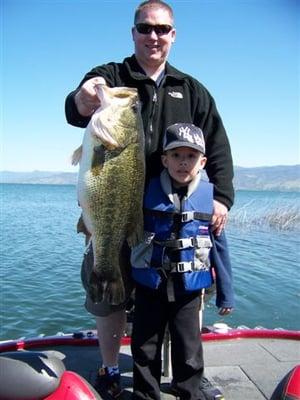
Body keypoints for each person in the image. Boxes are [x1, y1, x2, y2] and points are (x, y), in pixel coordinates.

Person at [65, 1, 234, 398]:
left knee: (183, 299)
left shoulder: (192, 90)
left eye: (162, 29)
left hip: (174, 218)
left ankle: (183, 374)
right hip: (113, 209)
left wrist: (222, 198)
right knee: (108, 297)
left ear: (173, 35)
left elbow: (219, 146)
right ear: (133, 32)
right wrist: (85, 95)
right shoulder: (113, 76)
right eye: (145, 28)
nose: (153, 36)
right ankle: (109, 368)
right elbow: (77, 108)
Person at [130, 122, 234, 400]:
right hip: (149, 288)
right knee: (144, 348)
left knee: (189, 350)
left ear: (202, 162)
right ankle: (145, 395)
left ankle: (188, 391)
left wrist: (226, 295)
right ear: (164, 160)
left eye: (190, 156)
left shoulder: (211, 202)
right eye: (176, 155)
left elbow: (220, 250)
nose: (183, 162)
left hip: (189, 292)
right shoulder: (144, 193)